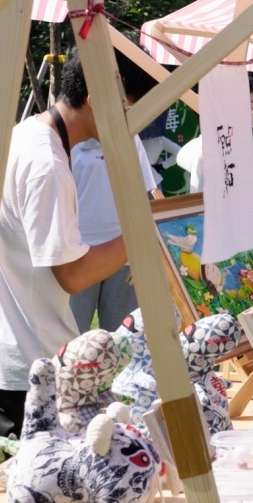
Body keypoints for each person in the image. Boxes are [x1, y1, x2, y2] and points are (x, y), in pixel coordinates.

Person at [0, 49, 135, 440]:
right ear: (97, 99)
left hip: (20, 354)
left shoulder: (27, 133)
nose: (132, 126)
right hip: (31, 365)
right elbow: (74, 276)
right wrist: (143, 235)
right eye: (128, 111)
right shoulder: (47, 163)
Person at [69, 48, 165, 333]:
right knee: (70, 341)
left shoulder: (129, 136)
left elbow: (149, 191)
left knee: (124, 339)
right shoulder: (66, 141)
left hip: (121, 253)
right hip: (75, 255)